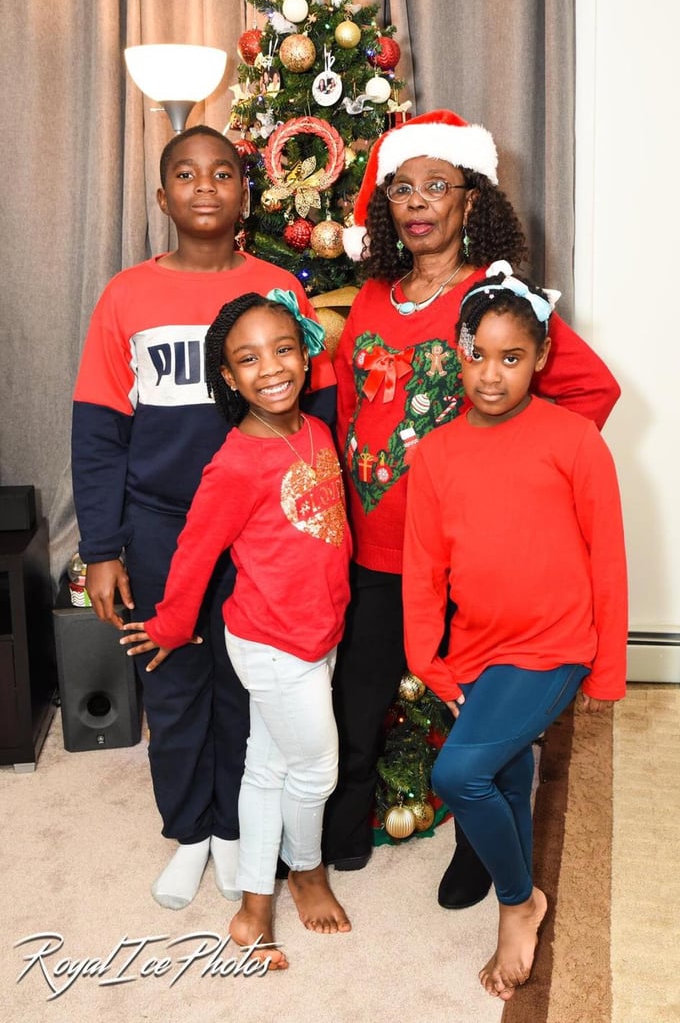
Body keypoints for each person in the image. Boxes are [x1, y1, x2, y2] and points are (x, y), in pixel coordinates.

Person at [322, 109, 621, 911]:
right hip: (375, 547)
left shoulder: (495, 301)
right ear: (386, 206)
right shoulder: (373, 298)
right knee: (357, 701)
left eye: (438, 185)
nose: (419, 202)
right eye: (402, 188)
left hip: (466, 560)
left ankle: (477, 854)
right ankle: (345, 828)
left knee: (476, 714)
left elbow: (591, 390)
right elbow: (349, 405)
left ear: (470, 200)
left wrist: (513, 476)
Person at [71, 125, 336, 911]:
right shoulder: (126, 295)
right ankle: (190, 832)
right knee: (175, 680)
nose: (206, 187)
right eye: (186, 174)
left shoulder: (278, 288)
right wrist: (102, 546)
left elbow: (315, 417)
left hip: (265, 533)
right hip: (160, 523)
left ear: (245, 193)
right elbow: (98, 432)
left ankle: (233, 830)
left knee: (246, 686)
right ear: (163, 197)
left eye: (223, 173)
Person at [402, 263, 627, 999]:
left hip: (553, 646)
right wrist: (427, 659)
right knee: (501, 775)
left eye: (512, 357)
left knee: (457, 775)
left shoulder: (575, 441)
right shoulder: (436, 453)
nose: (491, 374)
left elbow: (607, 560)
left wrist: (608, 668)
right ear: (458, 351)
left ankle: (518, 903)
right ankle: (522, 889)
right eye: (478, 355)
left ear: (541, 357)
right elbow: (423, 569)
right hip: (476, 648)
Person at [120, 291, 352, 966]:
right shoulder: (235, 461)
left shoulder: (315, 432)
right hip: (276, 644)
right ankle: (306, 872)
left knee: (266, 768)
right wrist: (169, 624)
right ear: (227, 377)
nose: (271, 368)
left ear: (305, 355)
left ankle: (253, 907)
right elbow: (194, 551)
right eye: (248, 359)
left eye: (283, 350)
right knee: (316, 770)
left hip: (320, 632)